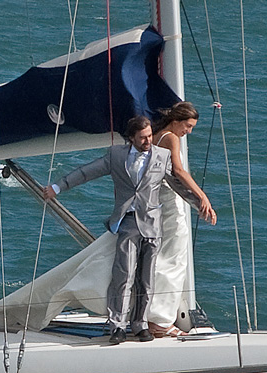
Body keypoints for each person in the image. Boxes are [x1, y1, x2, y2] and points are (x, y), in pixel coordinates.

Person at [42, 115, 175, 344]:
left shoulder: (162, 156)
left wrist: (200, 202)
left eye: (150, 136)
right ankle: (118, 326)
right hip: (128, 222)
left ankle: (140, 324)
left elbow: (178, 181)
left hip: (153, 224)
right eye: (143, 137)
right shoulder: (117, 156)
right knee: (123, 275)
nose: (148, 141)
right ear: (131, 137)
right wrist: (58, 186)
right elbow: (87, 171)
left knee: (147, 279)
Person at [146, 102, 217, 338]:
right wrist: (202, 196)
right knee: (174, 260)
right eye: (188, 126)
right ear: (176, 121)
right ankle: (160, 320)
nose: (189, 131)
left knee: (163, 258)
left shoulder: (156, 136)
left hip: (157, 201)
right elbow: (178, 171)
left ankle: (156, 316)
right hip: (170, 203)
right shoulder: (170, 138)